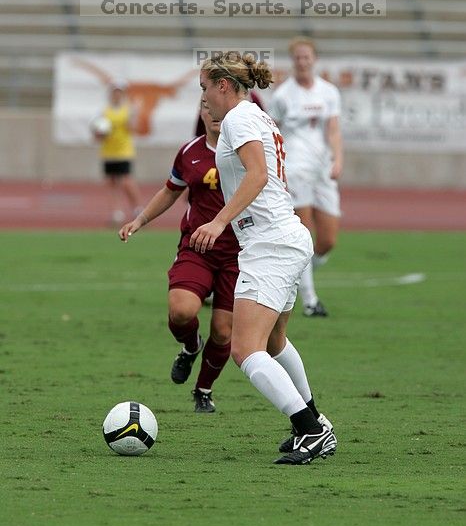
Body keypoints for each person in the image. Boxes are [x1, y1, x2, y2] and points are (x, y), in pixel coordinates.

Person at [190, 51, 337, 465]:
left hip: (270, 242)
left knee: (246, 349)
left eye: (205, 88)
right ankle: (314, 422)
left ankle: (310, 429)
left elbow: (256, 175)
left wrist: (218, 223)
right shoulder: (256, 115)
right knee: (273, 343)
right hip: (285, 235)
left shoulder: (238, 117)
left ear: (223, 85)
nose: (204, 98)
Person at [118, 105, 239, 413]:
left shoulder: (247, 152)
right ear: (199, 112)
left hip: (239, 254)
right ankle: (190, 346)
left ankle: (203, 390)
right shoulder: (189, 152)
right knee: (182, 311)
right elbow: (170, 191)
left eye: (220, 108)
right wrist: (140, 220)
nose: (214, 114)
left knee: (224, 331)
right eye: (207, 108)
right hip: (196, 247)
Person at [268, 37, 343, 317]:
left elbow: (334, 129)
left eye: (306, 57)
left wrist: (338, 159)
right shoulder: (283, 95)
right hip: (295, 167)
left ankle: (291, 277)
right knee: (305, 232)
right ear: (293, 61)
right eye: (297, 57)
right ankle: (310, 301)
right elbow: (271, 132)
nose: (302, 62)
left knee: (328, 240)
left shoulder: (328, 92)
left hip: (323, 168)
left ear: (314, 59)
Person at [93, 83, 144, 225]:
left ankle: (138, 210)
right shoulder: (104, 111)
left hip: (124, 151)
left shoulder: (128, 110)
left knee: (127, 181)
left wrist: (133, 117)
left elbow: (133, 128)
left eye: (119, 92)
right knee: (111, 182)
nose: (116, 95)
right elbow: (96, 134)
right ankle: (116, 213)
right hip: (108, 152)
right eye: (114, 92)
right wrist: (100, 133)